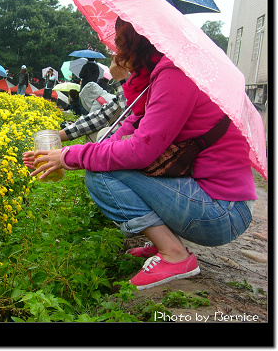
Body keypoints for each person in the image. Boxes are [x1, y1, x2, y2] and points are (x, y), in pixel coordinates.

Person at [23, 17, 256, 290]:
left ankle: (174, 255)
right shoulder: (156, 77)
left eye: (119, 42)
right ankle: (166, 242)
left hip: (222, 212)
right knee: (102, 162)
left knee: (100, 176)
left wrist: (68, 157)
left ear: (135, 43)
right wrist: (67, 153)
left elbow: (141, 151)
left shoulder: (176, 75)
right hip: (210, 200)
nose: (115, 51)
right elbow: (123, 134)